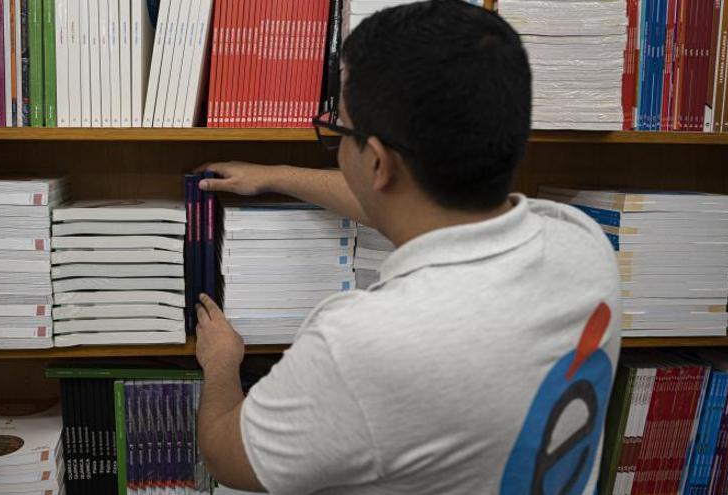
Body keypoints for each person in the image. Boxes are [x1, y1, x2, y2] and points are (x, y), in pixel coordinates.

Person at [193, 0, 621, 493]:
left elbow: (227, 458)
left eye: (340, 130)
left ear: (377, 163)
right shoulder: (582, 243)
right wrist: (278, 176)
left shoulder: (362, 342)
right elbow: (404, 200)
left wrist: (223, 363)